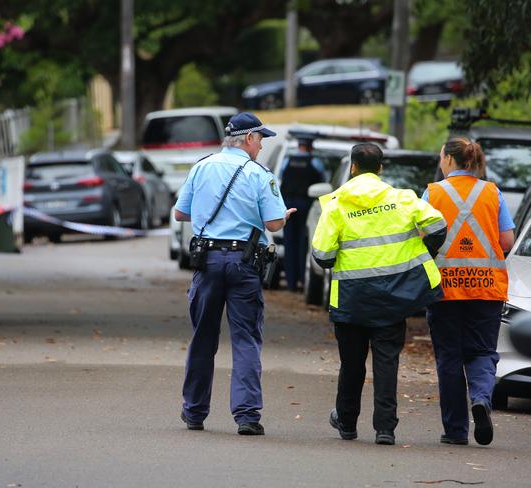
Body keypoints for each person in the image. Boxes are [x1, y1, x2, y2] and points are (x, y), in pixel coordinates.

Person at [311, 143, 447, 445]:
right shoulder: (402, 198)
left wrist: (340, 259)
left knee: (352, 364)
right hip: (393, 298)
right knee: (387, 363)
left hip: (351, 299)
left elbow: (321, 255)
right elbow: (438, 225)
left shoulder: (336, 204)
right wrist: (423, 255)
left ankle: (346, 423)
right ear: (381, 168)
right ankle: (385, 428)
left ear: (352, 167)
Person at [175, 112, 296, 435]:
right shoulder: (259, 173)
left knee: (203, 337)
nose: (261, 146)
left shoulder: (201, 166)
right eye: (260, 139)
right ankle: (246, 416)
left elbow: (179, 212)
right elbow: (272, 224)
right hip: (243, 263)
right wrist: (282, 217)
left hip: (207, 261)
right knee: (245, 339)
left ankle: (195, 411)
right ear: (248, 139)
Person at [423, 137, 515, 446]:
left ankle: (455, 431)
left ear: (449, 160)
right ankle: (481, 399)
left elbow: (422, 237)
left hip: (444, 289)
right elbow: (506, 242)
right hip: (486, 288)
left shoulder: (433, 193)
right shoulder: (492, 192)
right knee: (482, 352)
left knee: (449, 357)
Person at [279, 132, 326, 291]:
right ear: (311, 146)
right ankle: (303, 280)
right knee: (303, 243)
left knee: (289, 242)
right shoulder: (316, 162)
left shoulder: (287, 161)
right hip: (306, 205)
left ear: (299, 145)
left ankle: (291, 283)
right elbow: (323, 181)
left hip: (288, 206)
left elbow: (281, 180)